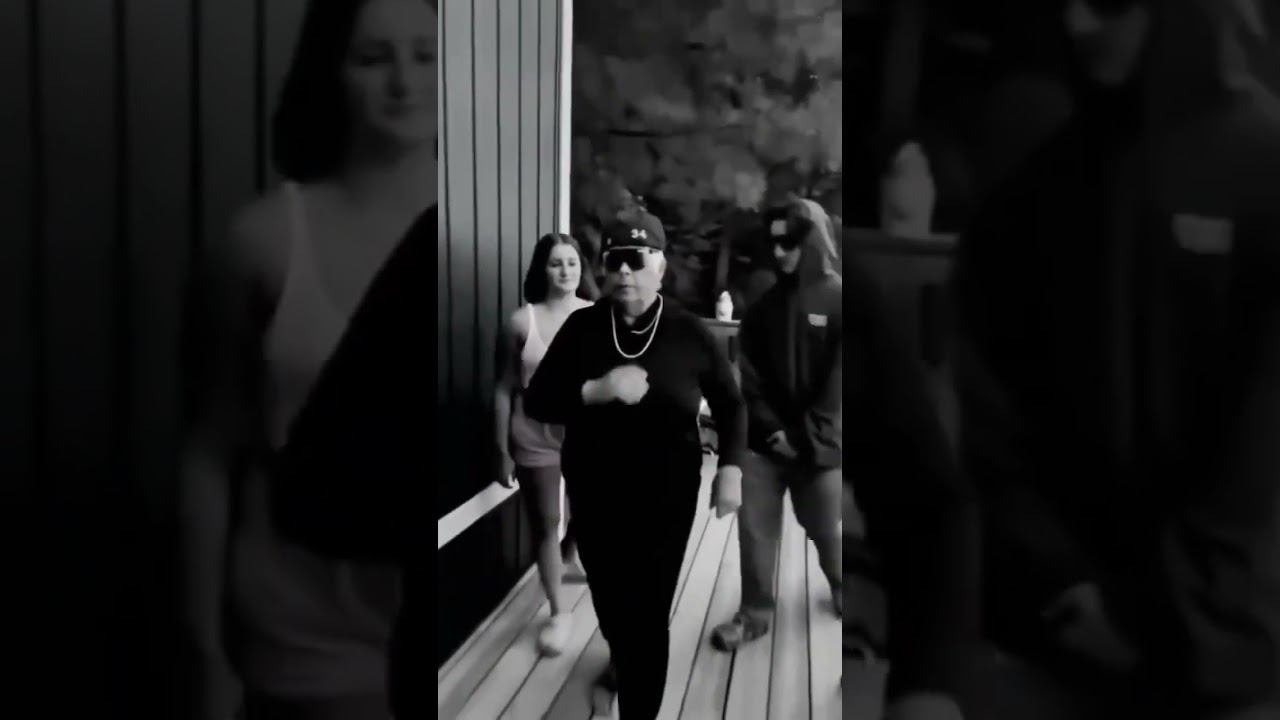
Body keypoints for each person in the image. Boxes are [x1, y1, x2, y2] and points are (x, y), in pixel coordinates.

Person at [950, 1, 1280, 717]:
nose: (1079, 23)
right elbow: (987, 405)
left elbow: (1264, 442)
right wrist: (1057, 580)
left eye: (1108, 1)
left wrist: (1159, 614)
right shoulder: (1036, 184)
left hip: (1235, 654)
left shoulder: (1264, 166)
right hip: (1056, 636)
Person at [178, 0, 436, 717]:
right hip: (305, 646)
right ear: (332, 71)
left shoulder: (502, 242)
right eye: (373, 57)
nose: (404, 81)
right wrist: (203, 650)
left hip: (457, 633)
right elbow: (208, 450)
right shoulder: (262, 242)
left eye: (427, 55)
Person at [522, 210, 748, 720]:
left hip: (667, 495)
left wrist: (731, 468)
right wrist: (595, 390)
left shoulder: (690, 332)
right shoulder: (583, 328)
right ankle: (622, 655)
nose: (624, 271)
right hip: (595, 492)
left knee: (647, 615)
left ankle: (637, 700)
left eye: (637, 260)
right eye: (615, 260)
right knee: (610, 600)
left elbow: (732, 405)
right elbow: (538, 400)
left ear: (660, 268)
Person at [709, 199, 844, 652]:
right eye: (776, 243)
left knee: (826, 527)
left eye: (791, 242)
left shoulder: (843, 300)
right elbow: (746, 377)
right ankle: (754, 614)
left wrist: (804, 438)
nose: (781, 251)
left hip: (822, 446)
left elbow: (841, 385)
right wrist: (772, 433)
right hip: (765, 445)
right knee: (754, 530)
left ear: (815, 240)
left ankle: (842, 585)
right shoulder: (763, 306)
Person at [492, 233, 599, 656]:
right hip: (533, 433)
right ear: (543, 269)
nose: (565, 271)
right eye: (556, 263)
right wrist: (500, 448)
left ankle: (569, 556)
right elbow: (503, 389)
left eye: (572, 262)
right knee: (547, 520)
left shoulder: (598, 317)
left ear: (581, 267)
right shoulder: (522, 322)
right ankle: (558, 612)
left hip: (586, 432)